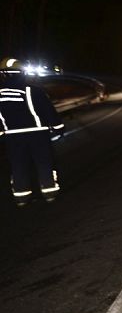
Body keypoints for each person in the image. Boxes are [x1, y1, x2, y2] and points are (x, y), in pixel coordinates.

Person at [0, 58, 64, 206]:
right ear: (22, 73)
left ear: (3, 74)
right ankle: (49, 194)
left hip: (13, 137)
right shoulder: (34, 91)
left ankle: (21, 197)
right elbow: (48, 110)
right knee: (44, 163)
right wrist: (58, 127)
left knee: (18, 165)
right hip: (37, 134)